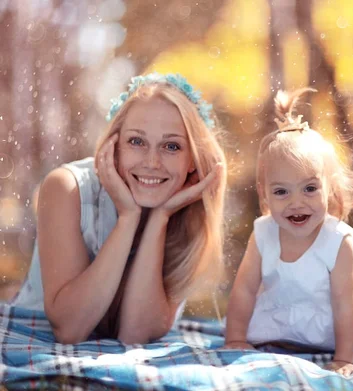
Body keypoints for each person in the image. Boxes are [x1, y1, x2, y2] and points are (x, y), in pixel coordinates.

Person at [11, 73, 227, 345]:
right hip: (35, 336)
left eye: (171, 146)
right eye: (136, 141)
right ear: (115, 147)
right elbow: (70, 330)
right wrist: (128, 218)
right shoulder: (66, 188)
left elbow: (135, 335)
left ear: (193, 161)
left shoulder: (187, 214)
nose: (152, 162)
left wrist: (159, 219)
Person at [224, 88, 353, 376]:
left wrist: (345, 358)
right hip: (287, 312)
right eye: (281, 191)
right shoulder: (263, 234)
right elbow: (244, 290)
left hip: (337, 320)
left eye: (310, 188)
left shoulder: (338, 241)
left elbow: (344, 305)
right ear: (265, 194)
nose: (297, 202)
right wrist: (235, 339)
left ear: (329, 188)